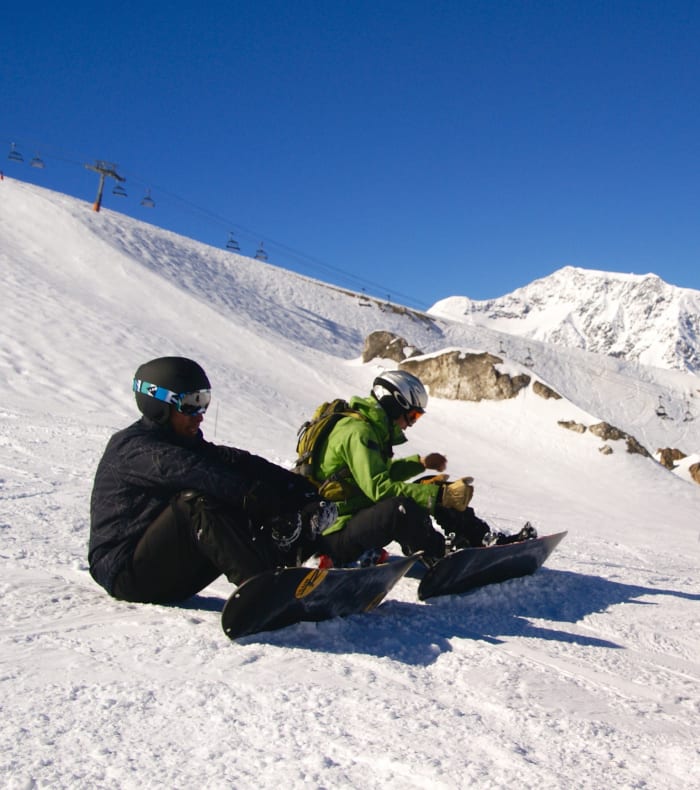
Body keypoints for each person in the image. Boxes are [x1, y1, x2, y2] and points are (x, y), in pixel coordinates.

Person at [89, 356, 335, 604]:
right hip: (126, 574)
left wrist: (301, 491)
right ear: (159, 406)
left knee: (241, 493)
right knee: (200, 502)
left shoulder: (183, 441)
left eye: (203, 402)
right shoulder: (134, 448)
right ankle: (267, 592)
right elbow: (195, 471)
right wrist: (263, 500)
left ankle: (304, 571)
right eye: (190, 404)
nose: (200, 415)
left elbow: (238, 462)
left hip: (166, 570)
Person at [310, 370, 520, 568]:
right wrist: (439, 496)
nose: (411, 424)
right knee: (401, 509)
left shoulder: (370, 430)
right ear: (394, 404)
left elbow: (376, 475)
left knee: (428, 486)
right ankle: (442, 557)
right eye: (412, 416)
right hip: (331, 536)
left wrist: (420, 464)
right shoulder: (358, 433)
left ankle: (481, 539)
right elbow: (380, 489)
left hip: (351, 520)